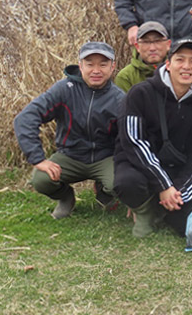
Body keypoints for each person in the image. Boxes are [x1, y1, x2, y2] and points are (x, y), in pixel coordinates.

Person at [114, 39, 192, 238]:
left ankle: (162, 207)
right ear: (168, 64)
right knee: (126, 183)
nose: (186, 67)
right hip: (138, 165)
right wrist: (163, 185)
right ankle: (143, 210)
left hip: (176, 173)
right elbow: (134, 142)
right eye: (180, 60)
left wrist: (179, 194)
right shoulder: (140, 94)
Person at [14, 42, 125, 219]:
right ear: (80, 66)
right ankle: (66, 197)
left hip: (104, 157)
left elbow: (129, 138)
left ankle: (104, 191)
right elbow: (25, 118)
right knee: (41, 180)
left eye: (103, 64)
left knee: (122, 182)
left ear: (113, 67)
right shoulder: (64, 89)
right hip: (70, 156)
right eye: (90, 64)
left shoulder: (119, 98)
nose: (96, 70)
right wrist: (38, 159)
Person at [114, 20, 171, 92]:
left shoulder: (177, 71)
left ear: (168, 44)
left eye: (157, 41)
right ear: (137, 47)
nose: (152, 48)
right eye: (146, 42)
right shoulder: (125, 76)